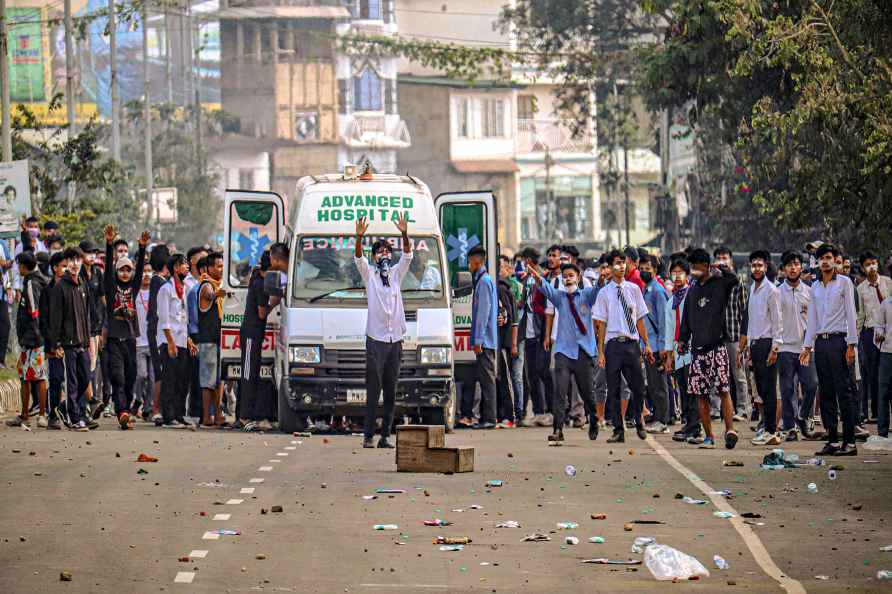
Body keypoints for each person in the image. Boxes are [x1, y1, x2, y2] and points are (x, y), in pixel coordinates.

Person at [353, 213, 412, 448]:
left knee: (390, 391)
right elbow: (358, 258)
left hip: (394, 339)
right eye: (379, 252)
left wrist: (404, 233)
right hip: (376, 340)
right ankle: (368, 435)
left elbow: (408, 255)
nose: (384, 255)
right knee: (373, 389)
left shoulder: (397, 274)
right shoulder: (370, 276)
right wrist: (359, 237)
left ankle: (385, 436)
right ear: (374, 257)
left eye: (387, 252)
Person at [528, 261, 600, 442]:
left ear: (578, 278)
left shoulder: (586, 295)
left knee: (587, 393)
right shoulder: (559, 297)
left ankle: (593, 419)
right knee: (559, 391)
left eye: (571, 276)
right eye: (565, 277)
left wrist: (603, 280)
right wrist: (538, 279)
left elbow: (598, 290)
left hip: (584, 351)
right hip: (563, 351)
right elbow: (545, 289)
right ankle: (558, 430)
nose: (568, 280)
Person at [677, 248, 741, 450]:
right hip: (698, 351)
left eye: (696, 266)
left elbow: (735, 280)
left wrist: (719, 267)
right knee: (701, 395)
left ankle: (730, 430)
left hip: (717, 347)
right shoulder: (693, 290)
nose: (693, 270)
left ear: (705, 266)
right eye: (692, 267)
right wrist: (682, 340)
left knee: (724, 390)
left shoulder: (720, 283)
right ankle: (709, 437)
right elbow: (686, 318)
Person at [801, 243, 860, 456]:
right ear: (817, 262)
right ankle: (833, 440)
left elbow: (851, 316)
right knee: (825, 392)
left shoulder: (845, 283)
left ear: (835, 260)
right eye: (821, 258)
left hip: (839, 342)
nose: (824, 262)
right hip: (821, 344)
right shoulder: (815, 287)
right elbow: (813, 319)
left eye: (828, 257)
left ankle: (850, 442)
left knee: (844, 391)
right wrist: (807, 346)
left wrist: (851, 345)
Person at [594, 249, 654, 444]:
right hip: (613, 345)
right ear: (610, 267)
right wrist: (601, 351)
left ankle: (639, 420)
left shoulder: (634, 289)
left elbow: (639, 320)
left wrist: (647, 344)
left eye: (623, 263)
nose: (620, 267)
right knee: (614, 389)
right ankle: (618, 430)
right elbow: (601, 324)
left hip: (632, 344)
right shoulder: (604, 293)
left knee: (638, 387)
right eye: (616, 263)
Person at [102, 225, 149, 430]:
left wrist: (142, 247)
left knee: (131, 378)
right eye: (121, 269)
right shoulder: (111, 288)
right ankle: (121, 411)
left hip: (130, 339)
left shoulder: (133, 287)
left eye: (128, 269)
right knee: (118, 377)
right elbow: (107, 274)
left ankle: (126, 410)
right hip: (114, 339)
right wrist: (109, 244)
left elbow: (139, 272)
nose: (125, 272)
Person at [46, 247, 92, 432]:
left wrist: (89, 340)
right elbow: (55, 319)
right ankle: (74, 418)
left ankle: (64, 409)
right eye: (71, 260)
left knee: (85, 377)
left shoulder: (82, 284)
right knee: (71, 381)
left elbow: (86, 314)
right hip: (67, 343)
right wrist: (55, 344)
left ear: (82, 262)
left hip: (83, 342)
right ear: (67, 264)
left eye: (77, 260)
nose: (74, 264)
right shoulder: (60, 287)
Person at [741, 250, 783, 446]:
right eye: (754, 265)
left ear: (766, 267)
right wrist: (748, 346)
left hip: (768, 344)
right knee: (760, 390)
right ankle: (766, 429)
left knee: (769, 389)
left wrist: (775, 348)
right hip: (755, 345)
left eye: (760, 265)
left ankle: (772, 431)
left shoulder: (772, 290)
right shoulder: (753, 289)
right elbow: (751, 321)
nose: (756, 269)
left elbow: (777, 321)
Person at [777, 251, 820, 441]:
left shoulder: (810, 292)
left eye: (796, 264)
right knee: (787, 390)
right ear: (783, 269)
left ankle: (802, 416)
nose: (793, 268)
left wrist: (810, 345)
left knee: (811, 385)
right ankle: (790, 428)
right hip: (785, 347)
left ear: (801, 267)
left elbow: (815, 320)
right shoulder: (777, 292)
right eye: (789, 265)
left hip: (805, 348)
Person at [5, 252, 48, 428]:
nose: (18, 269)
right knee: (25, 376)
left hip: (33, 339)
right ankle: (25, 415)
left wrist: (36, 338)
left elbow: (35, 312)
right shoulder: (35, 280)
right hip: (31, 339)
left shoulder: (31, 283)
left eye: (19, 265)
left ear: (24, 266)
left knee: (37, 377)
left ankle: (41, 415)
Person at [664, 258, 700, 442]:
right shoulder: (670, 301)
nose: (677, 276)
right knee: (683, 388)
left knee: (694, 389)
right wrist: (669, 355)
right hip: (678, 352)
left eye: (680, 273)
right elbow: (669, 330)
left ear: (687, 275)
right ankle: (688, 424)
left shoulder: (693, 295)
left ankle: (695, 426)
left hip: (693, 348)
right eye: (674, 273)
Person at [157, 253, 194, 428]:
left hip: (182, 340)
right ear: (175, 268)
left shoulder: (185, 288)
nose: (186, 267)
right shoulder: (166, 289)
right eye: (183, 264)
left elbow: (184, 317)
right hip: (169, 341)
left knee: (182, 379)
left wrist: (187, 340)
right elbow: (164, 319)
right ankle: (168, 416)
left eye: (187, 264)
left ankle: (179, 414)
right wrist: (170, 342)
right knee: (170, 379)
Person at [464, 245, 499, 429]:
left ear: (477, 262)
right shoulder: (483, 280)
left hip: (485, 341)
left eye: (469, 262)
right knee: (485, 379)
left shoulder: (484, 282)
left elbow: (483, 315)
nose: (468, 265)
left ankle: (489, 419)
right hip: (485, 340)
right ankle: (487, 418)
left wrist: (478, 340)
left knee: (487, 381)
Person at [517, 247, 552, 427]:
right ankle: (538, 411)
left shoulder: (542, 279)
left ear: (529, 260)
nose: (523, 263)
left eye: (524, 260)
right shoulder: (526, 279)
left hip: (540, 332)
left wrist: (546, 334)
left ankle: (550, 411)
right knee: (531, 374)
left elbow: (548, 309)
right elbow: (523, 303)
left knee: (542, 371)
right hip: (528, 332)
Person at [856, 251, 892, 423]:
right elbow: (861, 315)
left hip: (888, 331)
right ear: (863, 268)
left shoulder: (887, 282)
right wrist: (856, 338)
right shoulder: (861, 289)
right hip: (870, 333)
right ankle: (875, 412)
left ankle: (885, 410)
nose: (872, 267)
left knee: (887, 369)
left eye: (874, 263)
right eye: (868, 264)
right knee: (872, 372)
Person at [639, 254, 669, 433]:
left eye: (647, 269)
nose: (644, 272)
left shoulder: (658, 291)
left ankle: (662, 420)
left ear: (655, 270)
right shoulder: (646, 289)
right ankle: (657, 417)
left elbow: (664, 321)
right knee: (652, 383)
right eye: (641, 269)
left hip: (658, 346)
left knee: (659, 385)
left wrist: (664, 346)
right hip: (648, 345)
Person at [197, 252, 226, 427]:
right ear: (209, 268)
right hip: (208, 340)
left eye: (223, 266)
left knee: (218, 381)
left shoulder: (218, 285)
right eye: (218, 266)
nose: (221, 269)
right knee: (208, 381)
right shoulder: (206, 285)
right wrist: (220, 293)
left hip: (218, 339)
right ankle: (207, 417)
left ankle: (218, 415)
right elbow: (209, 295)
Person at [146, 244, 171, 426]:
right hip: (157, 332)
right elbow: (157, 311)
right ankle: (156, 409)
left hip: (159, 331)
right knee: (160, 371)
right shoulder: (158, 282)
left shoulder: (161, 281)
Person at [499, 254, 525, 426]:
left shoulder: (509, 287)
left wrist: (514, 343)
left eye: (501, 266)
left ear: (508, 269)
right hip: (508, 339)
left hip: (515, 339)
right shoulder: (501, 286)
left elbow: (514, 318)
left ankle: (517, 413)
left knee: (514, 376)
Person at [495, 255, 518, 428]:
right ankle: (501, 415)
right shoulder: (500, 288)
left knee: (506, 379)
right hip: (499, 342)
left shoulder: (502, 289)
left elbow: (508, 316)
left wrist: (513, 343)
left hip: (503, 342)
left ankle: (510, 416)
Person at [133, 262, 154, 421]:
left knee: (153, 379)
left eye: (149, 271)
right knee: (141, 375)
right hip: (138, 342)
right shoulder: (134, 294)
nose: (146, 274)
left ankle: (147, 408)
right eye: (144, 271)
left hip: (153, 343)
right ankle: (138, 398)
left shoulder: (157, 292)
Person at [875, 286, 892, 438]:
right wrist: (879, 335)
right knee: (884, 393)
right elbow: (879, 326)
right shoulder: (886, 304)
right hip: (887, 352)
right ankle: (882, 431)